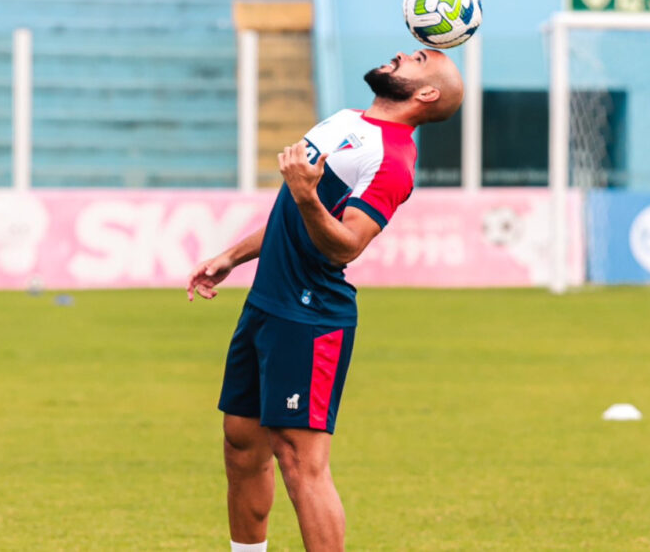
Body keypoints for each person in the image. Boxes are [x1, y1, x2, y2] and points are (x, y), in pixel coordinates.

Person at [186, 48, 464, 552]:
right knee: (241, 446)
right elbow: (288, 215)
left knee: (300, 461)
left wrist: (307, 195)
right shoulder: (343, 121)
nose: (401, 53)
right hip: (267, 302)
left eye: (417, 58)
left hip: (310, 315)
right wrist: (233, 255)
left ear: (426, 93)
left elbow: (347, 244)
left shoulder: (394, 160)